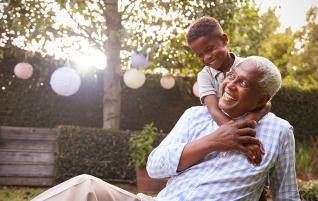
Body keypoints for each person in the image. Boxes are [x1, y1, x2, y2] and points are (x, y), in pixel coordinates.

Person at [32, 56, 300, 201]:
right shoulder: (195, 116)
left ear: (263, 99)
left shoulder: (279, 131)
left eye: (243, 84)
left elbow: (287, 194)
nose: (230, 84)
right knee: (84, 186)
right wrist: (215, 140)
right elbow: (155, 167)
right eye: (231, 76)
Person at [187, 16, 271, 164]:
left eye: (209, 49)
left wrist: (246, 124)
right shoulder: (204, 76)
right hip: (220, 125)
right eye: (200, 55)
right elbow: (213, 110)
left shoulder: (248, 66)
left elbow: (267, 103)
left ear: (224, 40)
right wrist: (239, 135)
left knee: (260, 156)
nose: (206, 57)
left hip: (248, 124)